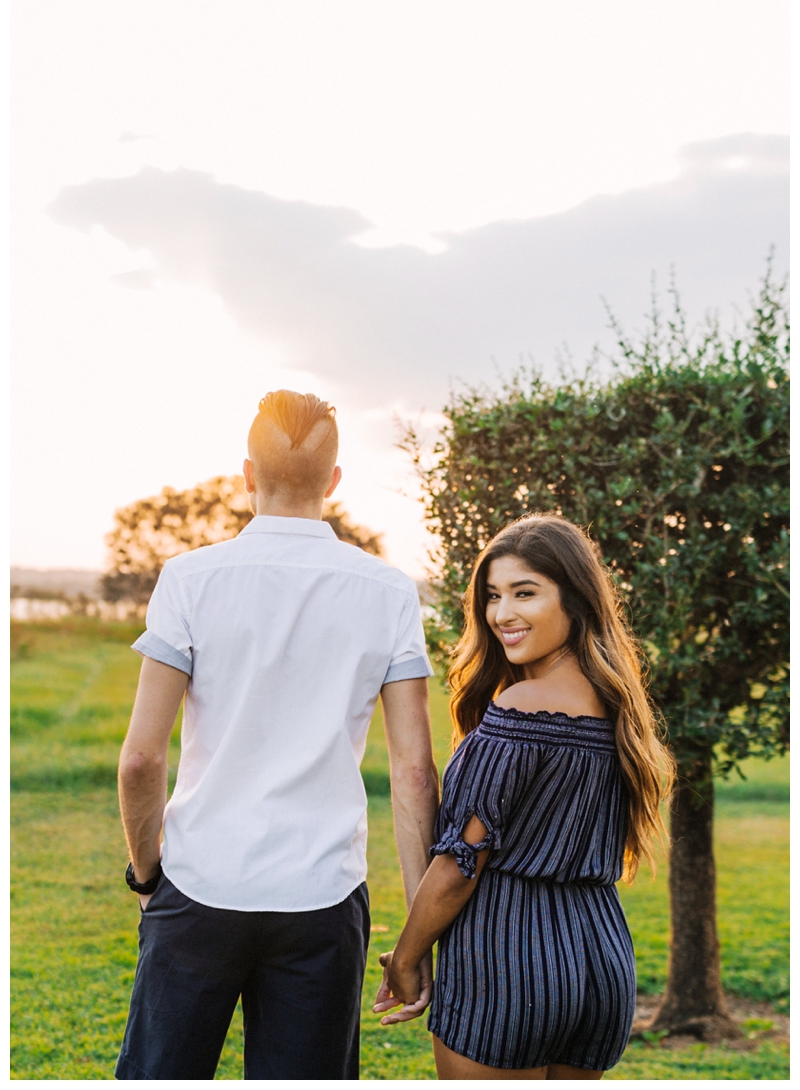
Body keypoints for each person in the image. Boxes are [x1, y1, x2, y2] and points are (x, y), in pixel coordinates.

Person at [115, 390, 439, 1080]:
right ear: (335, 483)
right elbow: (415, 774)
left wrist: (146, 877)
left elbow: (142, 759)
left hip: (199, 884)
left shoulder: (188, 580)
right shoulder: (388, 591)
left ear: (245, 475)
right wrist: (417, 938)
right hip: (322, 896)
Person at [374, 513, 675, 1079]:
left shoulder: (520, 712)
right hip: (602, 959)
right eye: (492, 596)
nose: (502, 614)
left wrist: (408, 957)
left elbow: (461, 865)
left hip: (508, 957)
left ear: (575, 600)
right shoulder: (619, 712)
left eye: (525, 593)